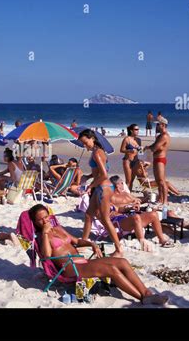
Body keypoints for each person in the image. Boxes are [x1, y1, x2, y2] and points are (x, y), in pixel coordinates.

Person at [29, 204, 169, 305]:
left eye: (46, 217)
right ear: (35, 222)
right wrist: (46, 232)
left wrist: (92, 244)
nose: (45, 221)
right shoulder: (41, 237)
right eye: (40, 219)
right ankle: (142, 298)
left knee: (123, 262)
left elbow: (76, 240)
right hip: (68, 267)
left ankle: (147, 293)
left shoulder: (58, 228)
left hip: (80, 261)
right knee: (111, 270)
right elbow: (47, 256)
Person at [78, 129, 123, 257]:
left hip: (103, 188)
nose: (85, 145)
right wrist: (87, 177)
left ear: (92, 138)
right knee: (88, 215)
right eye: (83, 143)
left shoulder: (97, 153)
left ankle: (119, 249)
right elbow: (97, 172)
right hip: (100, 187)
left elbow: (104, 174)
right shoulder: (97, 151)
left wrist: (90, 186)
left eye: (85, 142)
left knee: (105, 218)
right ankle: (84, 241)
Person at [144, 117, 170, 205]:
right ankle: (161, 198)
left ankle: (165, 200)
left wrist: (150, 148)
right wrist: (147, 147)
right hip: (156, 159)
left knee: (162, 181)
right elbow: (154, 145)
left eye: (158, 124)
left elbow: (155, 148)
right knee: (158, 181)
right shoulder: (159, 136)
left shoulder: (164, 136)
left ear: (163, 125)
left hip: (160, 159)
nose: (156, 126)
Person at [120, 124, 141, 191]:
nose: (137, 131)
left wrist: (141, 150)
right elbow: (121, 150)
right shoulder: (126, 139)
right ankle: (126, 195)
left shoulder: (138, 140)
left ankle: (129, 194)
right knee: (128, 180)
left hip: (135, 161)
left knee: (132, 180)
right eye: (136, 129)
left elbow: (140, 151)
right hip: (128, 161)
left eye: (138, 129)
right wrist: (129, 150)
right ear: (131, 131)